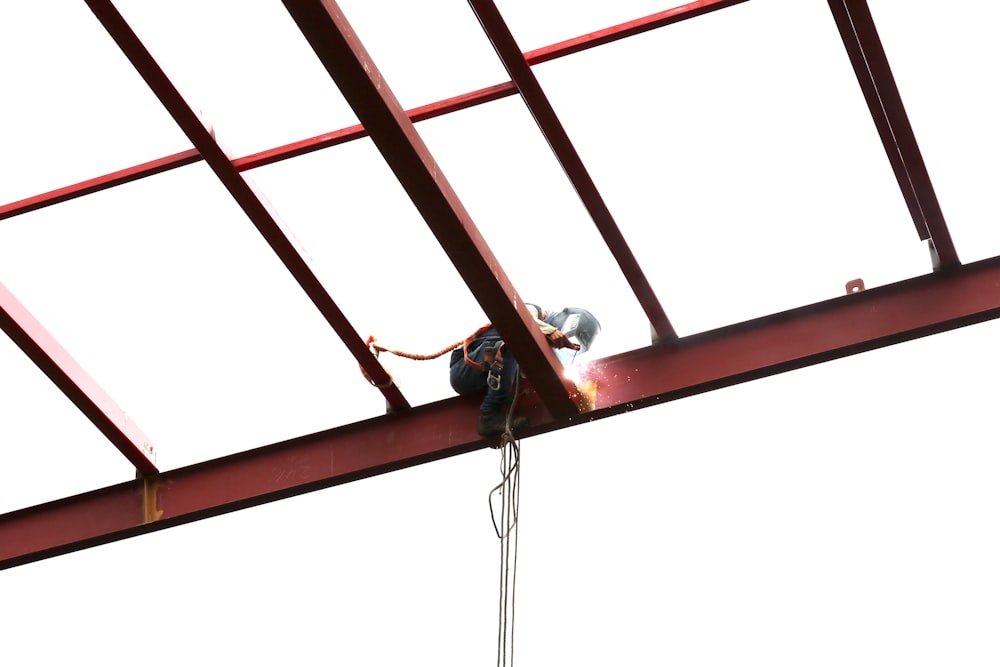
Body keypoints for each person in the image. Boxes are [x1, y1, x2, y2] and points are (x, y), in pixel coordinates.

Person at [450, 304, 601, 436]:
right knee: (511, 346)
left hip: (488, 379)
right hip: (465, 368)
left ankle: (499, 400)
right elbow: (519, 316)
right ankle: (489, 416)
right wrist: (549, 331)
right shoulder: (533, 311)